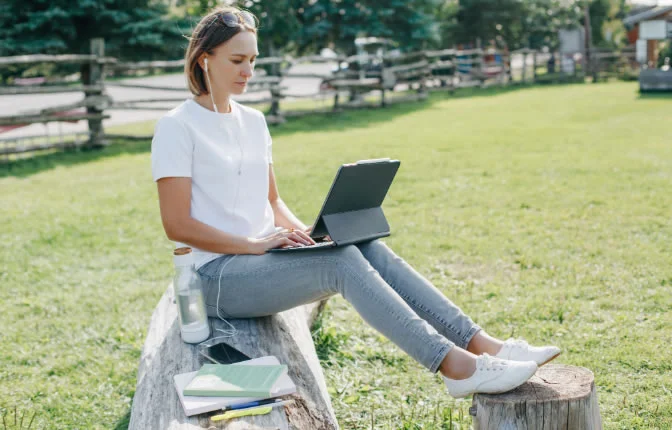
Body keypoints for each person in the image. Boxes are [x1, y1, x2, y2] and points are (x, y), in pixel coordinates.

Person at [151, 6, 561, 399]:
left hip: (264, 258)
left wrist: (309, 235)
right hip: (216, 278)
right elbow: (177, 224)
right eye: (237, 60)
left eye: (253, 60)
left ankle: (485, 345)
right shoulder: (177, 127)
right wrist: (256, 244)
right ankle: (458, 369)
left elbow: (271, 199)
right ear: (205, 60)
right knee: (341, 263)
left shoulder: (254, 122)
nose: (248, 71)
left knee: (363, 245)